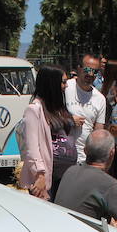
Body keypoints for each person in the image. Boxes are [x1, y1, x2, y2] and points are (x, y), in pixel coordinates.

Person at [19, 65, 75, 201]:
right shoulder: (34, 110)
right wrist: (40, 175)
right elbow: (32, 148)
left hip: (66, 175)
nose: (66, 86)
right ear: (52, 84)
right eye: (63, 82)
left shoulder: (58, 107)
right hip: (47, 178)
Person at [65, 54, 107, 163]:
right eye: (87, 69)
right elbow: (50, 115)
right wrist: (68, 120)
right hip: (62, 155)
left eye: (95, 71)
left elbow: (98, 131)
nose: (91, 74)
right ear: (79, 68)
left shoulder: (100, 99)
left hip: (84, 158)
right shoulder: (66, 87)